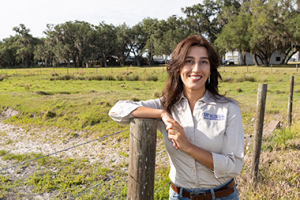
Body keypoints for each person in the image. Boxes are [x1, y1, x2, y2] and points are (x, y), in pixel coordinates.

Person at [109, 35, 244, 200]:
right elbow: (117, 110)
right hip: (179, 196)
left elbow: (233, 167)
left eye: (203, 61)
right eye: (189, 61)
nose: (196, 69)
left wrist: (188, 147)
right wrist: (161, 114)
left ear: (210, 69)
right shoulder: (166, 105)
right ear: (178, 67)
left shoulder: (228, 108)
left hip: (222, 196)